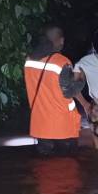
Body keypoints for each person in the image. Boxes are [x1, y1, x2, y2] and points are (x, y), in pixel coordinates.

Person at [24, 25, 83, 156]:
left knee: (45, 170)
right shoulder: (61, 62)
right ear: (61, 40)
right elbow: (69, 92)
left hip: (40, 126)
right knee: (67, 169)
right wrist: (80, 79)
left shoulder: (29, 60)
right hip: (62, 127)